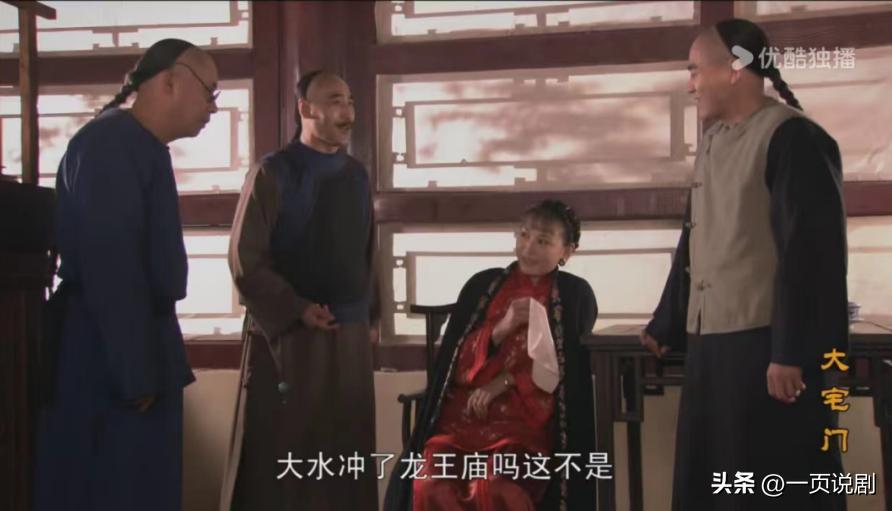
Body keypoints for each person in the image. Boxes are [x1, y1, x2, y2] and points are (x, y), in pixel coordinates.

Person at [641, 18, 848, 511]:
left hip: (767, 347)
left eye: (695, 70)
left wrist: (791, 352)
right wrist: (668, 320)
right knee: (713, 482)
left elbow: (812, 254)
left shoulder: (793, 137)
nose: (690, 84)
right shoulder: (715, 139)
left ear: (735, 68)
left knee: (771, 485)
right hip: (712, 344)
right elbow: (696, 237)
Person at [32, 39, 219, 511]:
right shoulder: (109, 144)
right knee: (113, 487)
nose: (213, 108)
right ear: (170, 81)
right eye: (209, 92)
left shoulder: (141, 145)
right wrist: (134, 370)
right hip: (106, 350)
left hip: (139, 339)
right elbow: (111, 264)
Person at [220, 70, 377, 511]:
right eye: (335, 100)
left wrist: (367, 317)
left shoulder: (356, 175)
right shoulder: (273, 172)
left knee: (346, 451)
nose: (348, 112)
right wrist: (296, 308)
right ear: (305, 109)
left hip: (347, 336)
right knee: (283, 456)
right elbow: (244, 259)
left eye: (350, 101)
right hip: (288, 336)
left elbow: (366, 251)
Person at [385, 199, 599, 511]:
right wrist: (501, 328)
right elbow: (453, 363)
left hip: (523, 424)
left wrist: (505, 382)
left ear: (568, 251)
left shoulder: (574, 295)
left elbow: (567, 373)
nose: (528, 248)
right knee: (432, 485)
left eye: (543, 241)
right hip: (464, 417)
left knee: (496, 488)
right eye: (523, 235)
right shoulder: (483, 285)